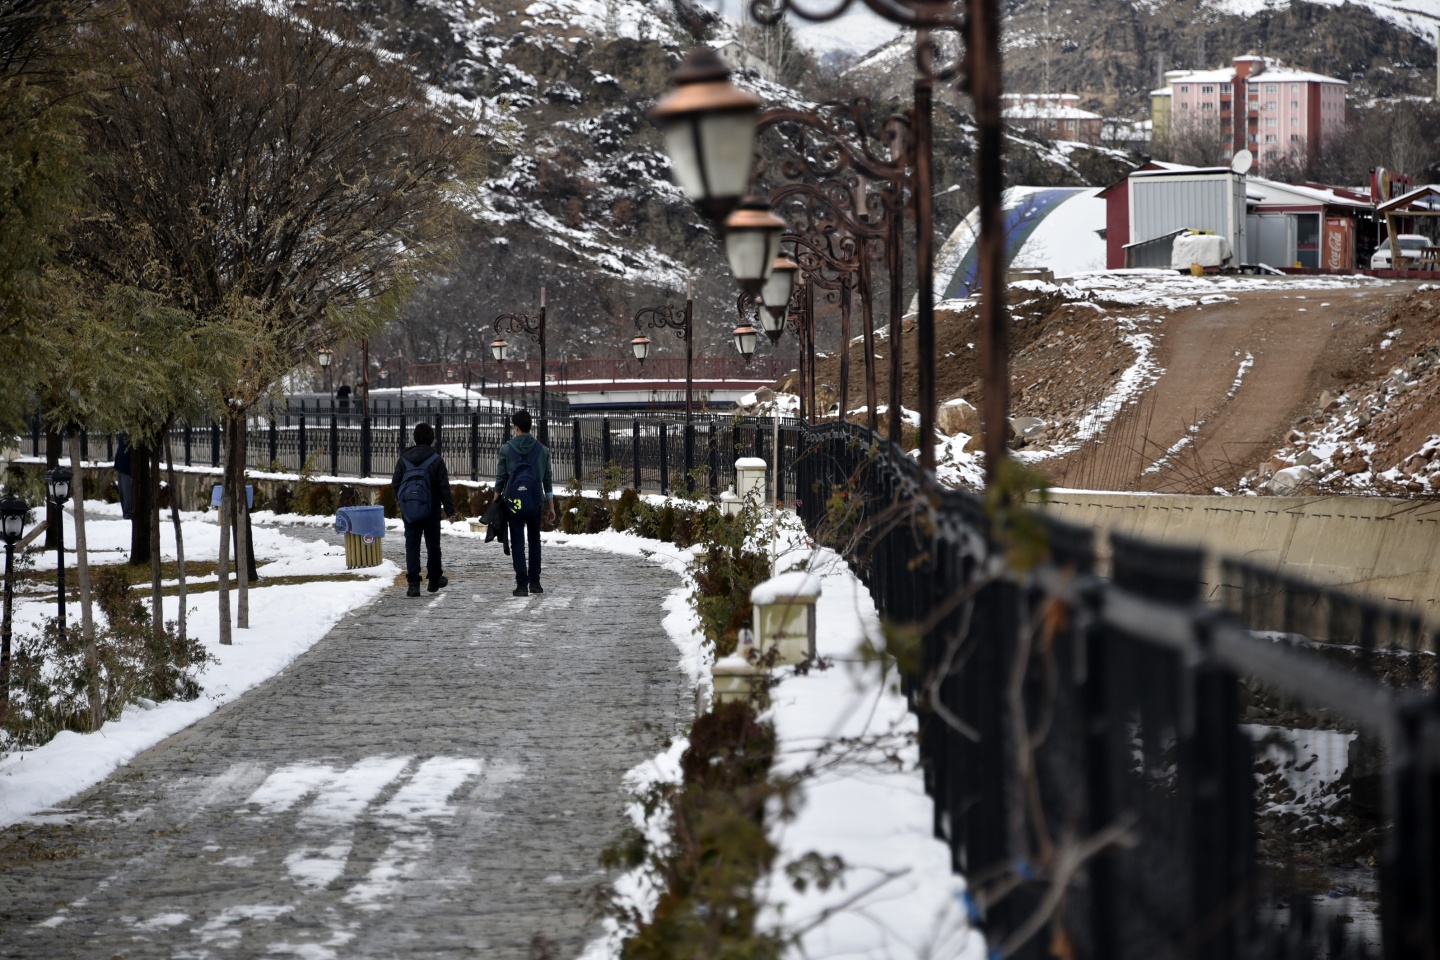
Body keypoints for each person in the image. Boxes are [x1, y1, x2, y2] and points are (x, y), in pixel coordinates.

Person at [391, 422, 456, 597]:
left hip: (410, 510)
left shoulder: (404, 459)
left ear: (414, 438)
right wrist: (450, 511)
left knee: (412, 544)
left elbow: (395, 484)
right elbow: (444, 488)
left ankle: (413, 584)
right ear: (432, 439)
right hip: (431, 509)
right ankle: (434, 580)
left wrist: (403, 503)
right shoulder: (436, 460)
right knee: (433, 544)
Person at [495, 409, 554, 597]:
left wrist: (496, 500)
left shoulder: (507, 449)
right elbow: (547, 480)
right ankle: (535, 583)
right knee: (534, 540)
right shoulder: (543, 450)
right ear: (531, 428)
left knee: (518, 542)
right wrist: (550, 506)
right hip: (535, 502)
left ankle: (521, 584)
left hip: (513, 503)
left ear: (516, 428)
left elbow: (501, 479)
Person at [114, 433, 133, 520]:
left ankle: (128, 513)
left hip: (127, 467)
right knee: (122, 492)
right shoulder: (122, 433)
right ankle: (125, 513)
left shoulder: (131, 432)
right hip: (120, 465)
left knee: (127, 492)